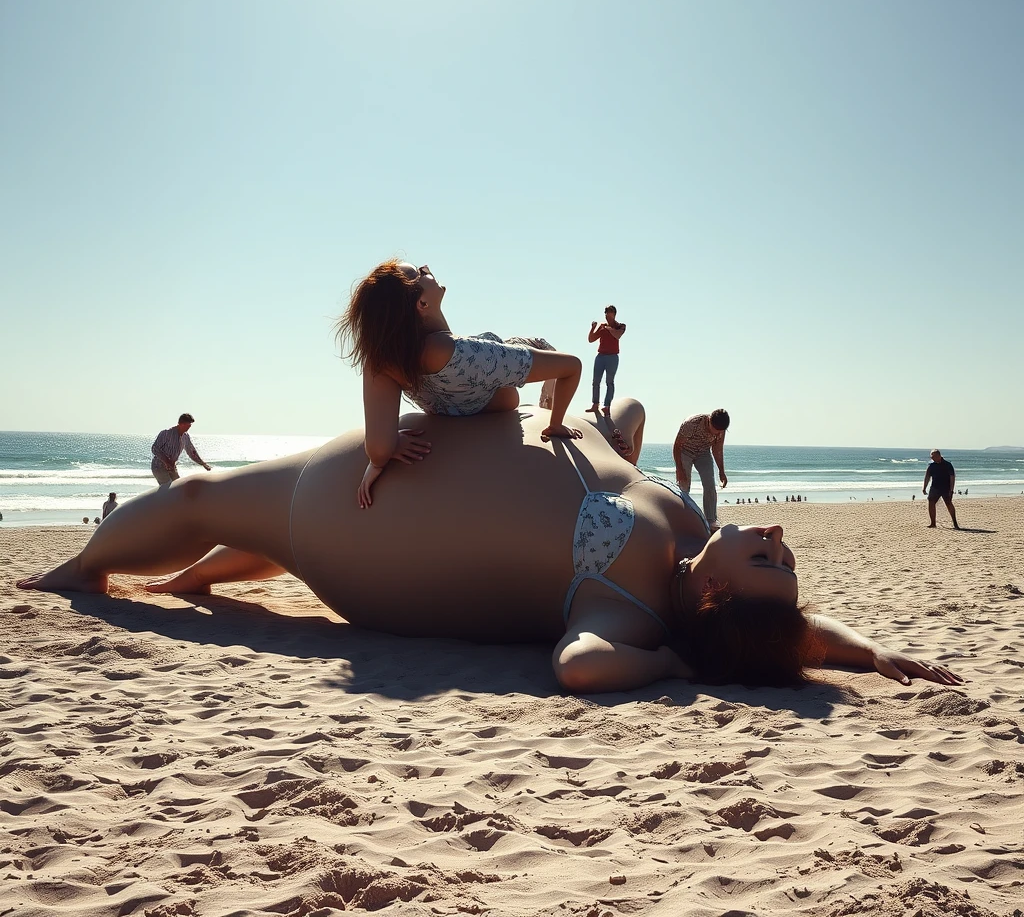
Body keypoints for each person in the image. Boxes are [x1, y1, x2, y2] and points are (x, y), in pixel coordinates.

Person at [16, 401, 959, 694]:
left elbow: (581, 667)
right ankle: (188, 578)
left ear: (711, 598)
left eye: (766, 557)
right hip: (377, 480)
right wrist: (867, 653)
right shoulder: (683, 542)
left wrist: (669, 660)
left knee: (212, 498)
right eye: (782, 552)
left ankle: (73, 574)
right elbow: (792, 632)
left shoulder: (628, 607)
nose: (778, 534)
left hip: (356, 521)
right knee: (237, 518)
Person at [336, 259, 583, 507]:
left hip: (449, 404)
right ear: (422, 304)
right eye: (419, 273)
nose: (426, 268)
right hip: (493, 395)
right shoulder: (456, 351)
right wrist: (556, 424)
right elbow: (572, 367)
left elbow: (378, 450)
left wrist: (383, 455)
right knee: (543, 345)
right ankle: (547, 405)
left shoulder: (385, 360)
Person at [673, 410, 730, 529]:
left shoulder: (721, 429)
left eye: (720, 431)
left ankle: (711, 520)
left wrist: (722, 471)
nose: (718, 433)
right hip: (685, 452)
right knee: (683, 485)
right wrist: (679, 469)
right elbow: (677, 446)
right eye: (716, 430)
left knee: (709, 484)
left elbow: (717, 450)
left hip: (703, 453)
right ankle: (681, 517)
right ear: (709, 420)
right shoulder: (691, 423)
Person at [151, 413, 212, 486]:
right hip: (159, 467)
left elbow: (192, 452)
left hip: (172, 467)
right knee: (168, 488)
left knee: (179, 486)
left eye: (190, 425)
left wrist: (203, 464)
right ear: (181, 424)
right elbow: (155, 448)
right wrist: (167, 461)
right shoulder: (166, 433)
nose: (189, 427)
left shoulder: (185, 436)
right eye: (188, 424)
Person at [586, 306, 626, 417]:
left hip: (612, 357)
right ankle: (595, 404)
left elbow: (617, 335)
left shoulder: (620, 326)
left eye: (609, 313)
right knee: (596, 381)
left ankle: (607, 406)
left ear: (614, 314)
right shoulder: (602, 326)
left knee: (609, 382)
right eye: (606, 313)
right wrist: (593, 328)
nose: (607, 315)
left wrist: (608, 328)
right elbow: (591, 339)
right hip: (601, 356)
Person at [923, 449, 959, 530]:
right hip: (935, 487)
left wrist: (951, 489)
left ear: (939, 455)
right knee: (931, 503)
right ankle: (933, 523)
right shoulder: (931, 465)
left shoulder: (948, 464)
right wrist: (924, 487)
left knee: (949, 504)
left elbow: (952, 477)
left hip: (946, 488)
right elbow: (927, 477)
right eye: (931, 457)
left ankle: (955, 523)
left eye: (933, 456)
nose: (932, 458)